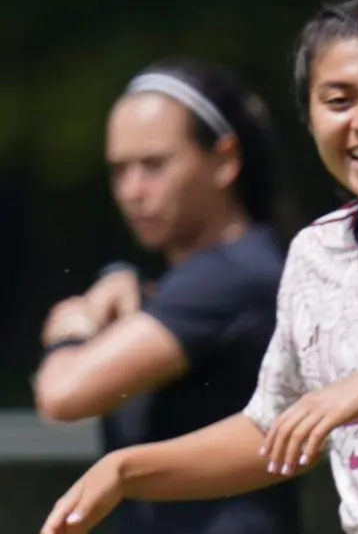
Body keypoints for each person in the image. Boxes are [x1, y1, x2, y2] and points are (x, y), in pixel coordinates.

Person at [40, 0, 358, 534]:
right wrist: (126, 470)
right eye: (339, 100)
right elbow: (275, 430)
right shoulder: (315, 252)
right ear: (308, 116)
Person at [34, 59, 300, 533]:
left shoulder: (232, 275)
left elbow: (62, 394)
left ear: (224, 161)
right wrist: (128, 281)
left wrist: (71, 330)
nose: (133, 191)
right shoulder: (225, 270)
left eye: (153, 165)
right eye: (120, 170)